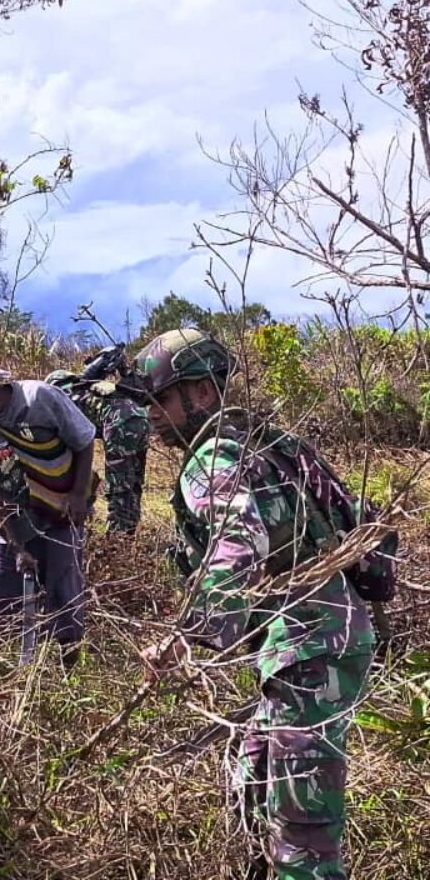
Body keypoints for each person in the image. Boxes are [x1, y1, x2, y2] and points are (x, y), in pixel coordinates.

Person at [134, 328, 395, 880]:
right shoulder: (275, 445)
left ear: (201, 393)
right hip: (316, 643)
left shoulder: (214, 459)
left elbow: (237, 541)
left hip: (309, 651)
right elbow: (355, 515)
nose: (152, 415)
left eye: (161, 398)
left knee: (304, 842)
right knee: (253, 778)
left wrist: (188, 636)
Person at [0, 351, 96, 668]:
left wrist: (79, 495)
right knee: (3, 596)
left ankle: (71, 674)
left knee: (64, 595)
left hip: (61, 514)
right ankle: (6, 677)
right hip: (15, 521)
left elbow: (84, 440)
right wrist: (17, 547)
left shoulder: (39, 398)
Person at [45, 368, 149, 533]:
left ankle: (119, 539)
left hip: (119, 424)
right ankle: (129, 531)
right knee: (133, 482)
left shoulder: (65, 400)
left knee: (118, 487)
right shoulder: (89, 388)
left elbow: (77, 457)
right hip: (141, 417)